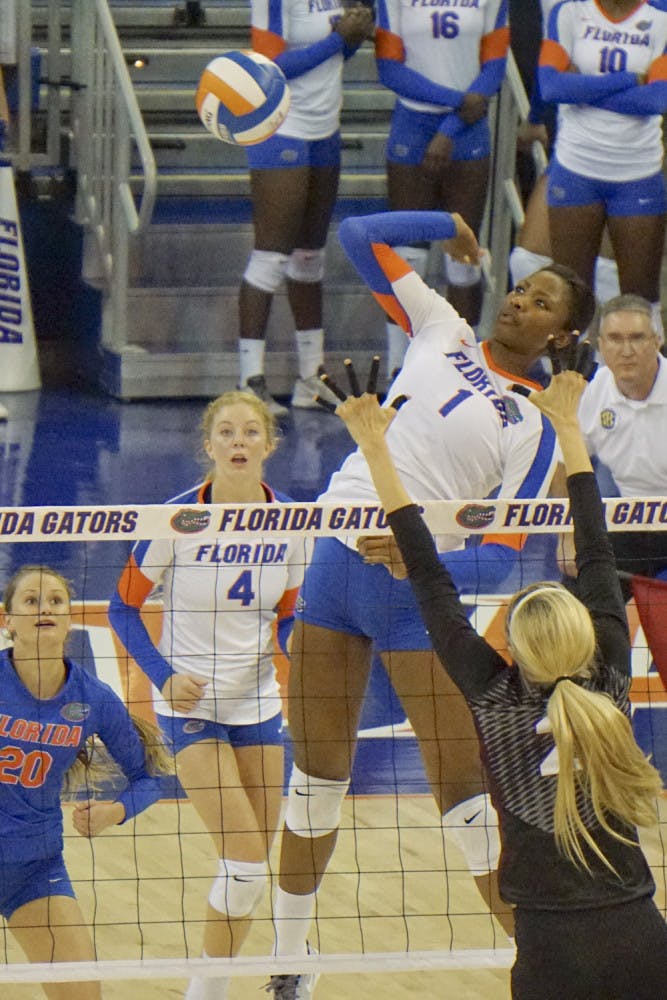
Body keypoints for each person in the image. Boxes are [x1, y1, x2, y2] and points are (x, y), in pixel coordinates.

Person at [267, 209, 596, 998]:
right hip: (333, 564)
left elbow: (511, 540)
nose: (519, 301)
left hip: (415, 594)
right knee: (315, 779)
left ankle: (545, 967)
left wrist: (427, 550)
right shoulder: (440, 324)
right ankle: (285, 963)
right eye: (520, 289)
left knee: (461, 797)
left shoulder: (536, 423)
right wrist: (441, 224)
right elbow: (353, 237)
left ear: (559, 336)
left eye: (542, 302)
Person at [331, 362, 667, 1000]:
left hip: (548, 951)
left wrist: (374, 446)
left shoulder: (492, 694)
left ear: (511, 646)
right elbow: (596, 546)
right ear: (584, 634)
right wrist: (569, 425)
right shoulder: (613, 678)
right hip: (643, 940)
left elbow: (429, 576)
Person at [108, 390, 307, 1000]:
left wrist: (299, 648)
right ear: (210, 445)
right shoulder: (176, 519)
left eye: (252, 432)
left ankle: (292, 963)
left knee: (247, 866)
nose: (239, 442)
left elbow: (288, 614)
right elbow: (122, 606)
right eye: (227, 432)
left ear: (269, 445)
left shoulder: (294, 523)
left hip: (259, 707)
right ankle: (208, 991)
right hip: (190, 709)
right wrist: (163, 674)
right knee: (246, 861)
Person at [0, 564, 171, 1000]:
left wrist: (116, 811)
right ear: (8, 621)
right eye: (32, 600)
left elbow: (150, 777)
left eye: (56, 600)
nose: (45, 608)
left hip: (34, 868)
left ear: (69, 619)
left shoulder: (92, 698)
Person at [238, 0, 375, 417]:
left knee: (309, 257)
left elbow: (336, 56)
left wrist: (353, 38)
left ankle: (310, 378)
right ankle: (248, 381)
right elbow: (267, 67)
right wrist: (338, 37)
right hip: (280, 127)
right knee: (271, 255)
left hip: (324, 127)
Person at [375, 0, 509, 372]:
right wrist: (457, 102)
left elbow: (494, 65)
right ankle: (399, 372)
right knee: (405, 259)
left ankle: (463, 368)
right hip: (415, 125)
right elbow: (388, 68)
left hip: (468, 131)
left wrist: (451, 126)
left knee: (464, 258)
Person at [539, 0, 667, 338]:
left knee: (641, 301)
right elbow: (551, 87)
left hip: (637, 173)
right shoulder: (568, 12)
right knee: (570, 295)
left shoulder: (662, 16)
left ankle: (650, 390)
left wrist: (581, 91)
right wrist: (629, 79)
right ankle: (571, 388)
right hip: (577, 166)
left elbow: (657, 99)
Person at [575, 294, 667, 594]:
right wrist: (570, 532)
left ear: (657, 340)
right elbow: (567, 460)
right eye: (615, 339)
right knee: (581, 589)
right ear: (600, 346)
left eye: (637, 338)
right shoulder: (595, 388)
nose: (626, 351)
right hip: (630, 520)